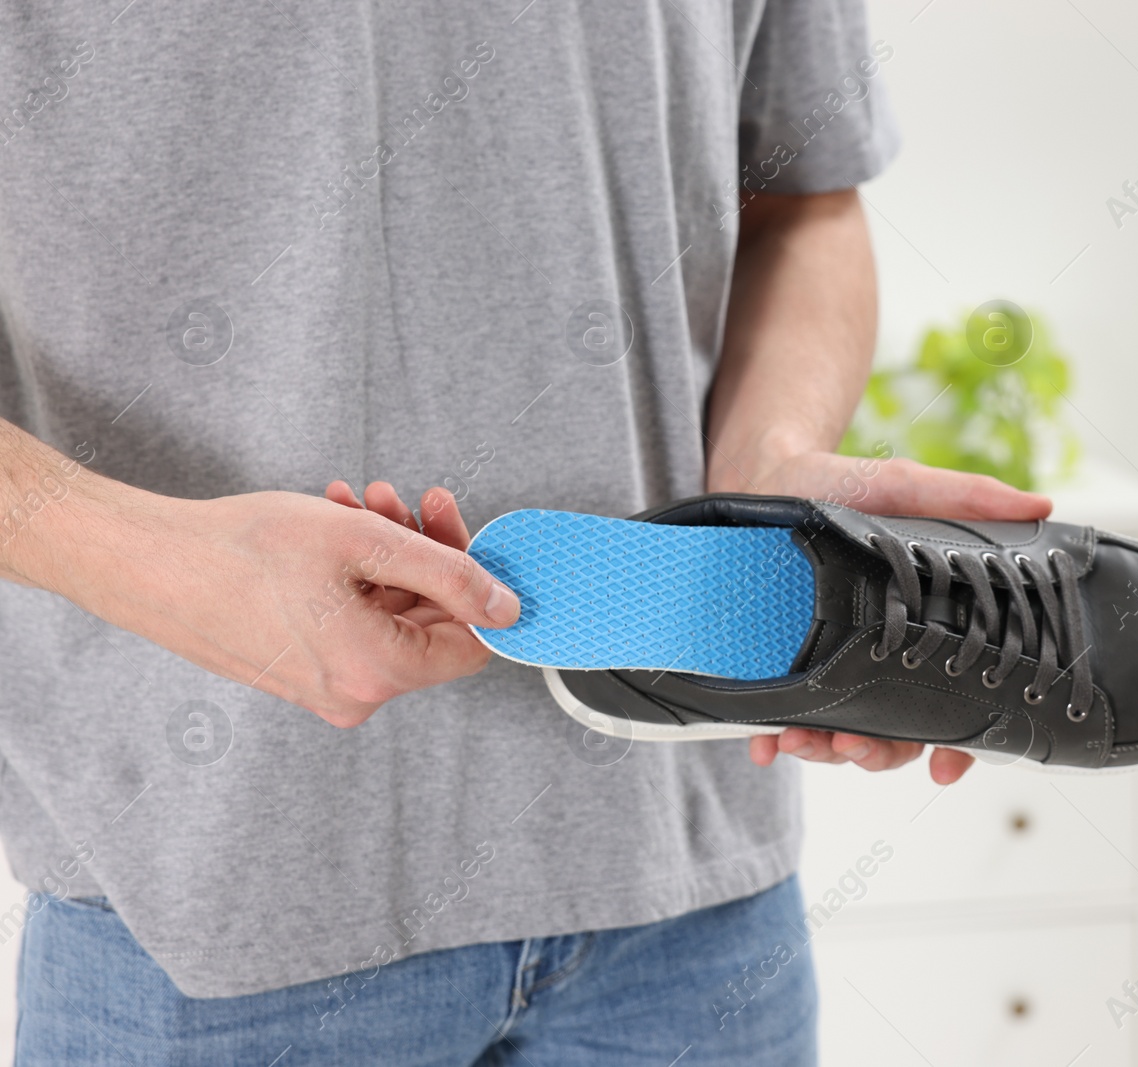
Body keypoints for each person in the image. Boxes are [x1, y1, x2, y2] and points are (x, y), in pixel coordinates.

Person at [0, 1, 1049, 1062]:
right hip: (208, 911)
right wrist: (152, 562)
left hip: (695, 892)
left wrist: (768, 475)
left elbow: (803, 201)